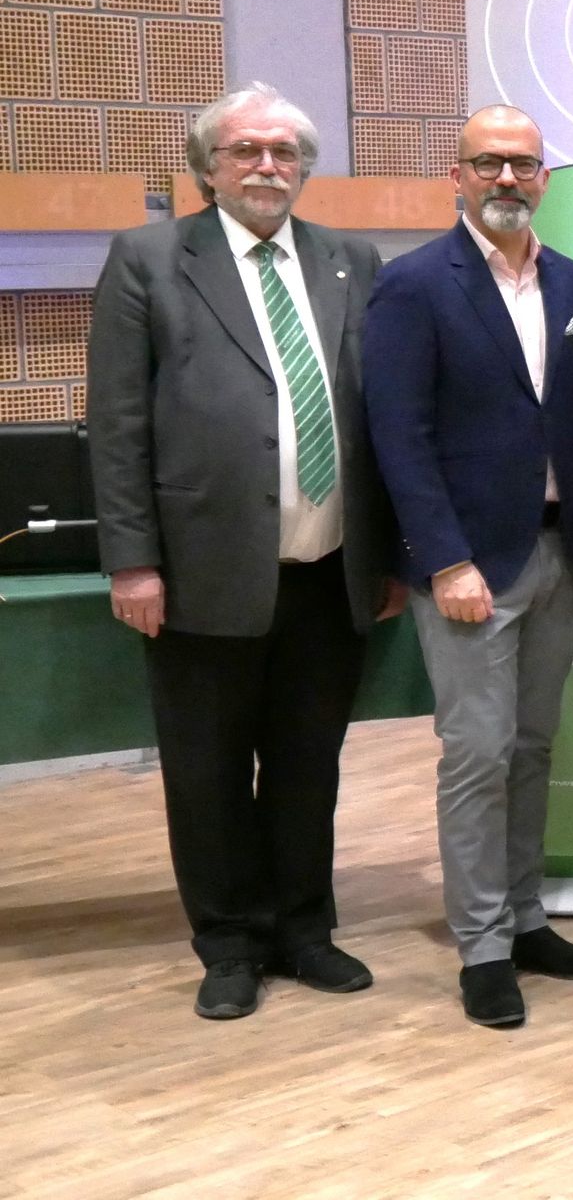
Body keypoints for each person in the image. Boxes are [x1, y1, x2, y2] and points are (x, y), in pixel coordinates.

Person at [86, 83, 403, 1020]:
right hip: (200, 571)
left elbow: (380, 417)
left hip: (330, 568)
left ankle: (304, 930)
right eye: (247, 150)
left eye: (284, 151)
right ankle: (228, 944)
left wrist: (387, 554)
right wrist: (132, 560)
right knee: (208, 771)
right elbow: (117, 424)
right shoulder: (150, 258)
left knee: (309, 766)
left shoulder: (350, 260)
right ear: (208, 168)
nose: (268, 166)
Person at [364, 104, 573, 1028]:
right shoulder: (413, 286)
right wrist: (444, 561)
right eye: (488, 163)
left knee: (532, 746)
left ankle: (524, 919)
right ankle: (480, 945)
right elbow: (399, 436)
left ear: (546, 178)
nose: (506, 178)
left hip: (560, 550)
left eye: (522, 163)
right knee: (477, 753)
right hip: (471, 566)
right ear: (458, 175)